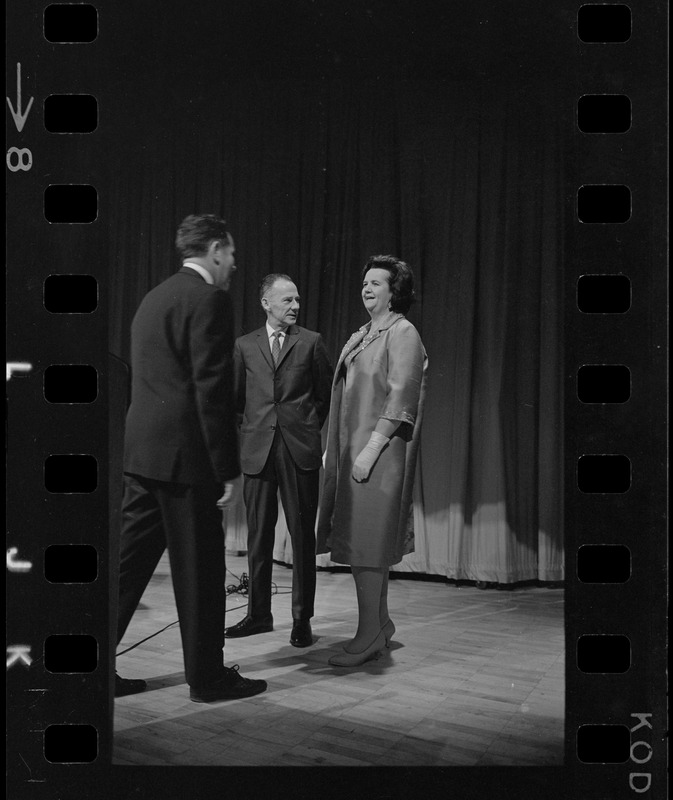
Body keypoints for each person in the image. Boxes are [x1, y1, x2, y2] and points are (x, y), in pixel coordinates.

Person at [115, 214, 267, 703]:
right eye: (233, 255)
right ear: (217, 249)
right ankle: (207, 678)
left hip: (142, 456)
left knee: (125, 570)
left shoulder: (152, 297)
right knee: (201, 573)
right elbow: (210, 389)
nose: (235, 265)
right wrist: (227, 468)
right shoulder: (210, 299)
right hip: (187, 461)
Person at [316, 255, 428, 667]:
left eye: (376, 283)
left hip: (380, 455)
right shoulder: (365, 334)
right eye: (364, 282)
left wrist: (368, 449)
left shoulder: (403, 333)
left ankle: (367, 635)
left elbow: (401, 398)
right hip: (356, 453)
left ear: (394, 291)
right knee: (365, 544)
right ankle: (379, 625)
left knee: (367, 545)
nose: (367, 288)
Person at [224, 274, 332, 648]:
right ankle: (258, 614)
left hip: (297, 449)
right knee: (257, 536)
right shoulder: (244, 345)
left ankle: (301, 619)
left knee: (302, 537)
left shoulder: (311, 342)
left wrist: (301, 428)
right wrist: (256, 430)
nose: (295, 306)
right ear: (266, 303)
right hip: (257, 450)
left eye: (298, 300)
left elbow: (323, 397)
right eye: (287, 300)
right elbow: (236, 401)